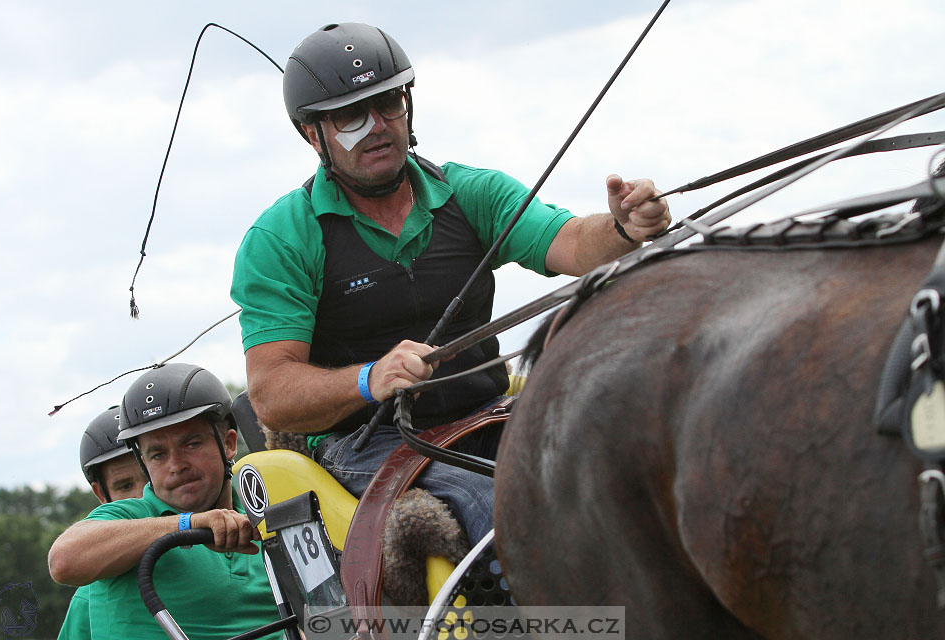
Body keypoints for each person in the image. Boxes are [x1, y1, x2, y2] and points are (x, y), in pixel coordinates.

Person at [230, 22, 671, 547]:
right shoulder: (281, 238)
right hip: (370, 445)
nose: (377, 126)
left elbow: (573, 242)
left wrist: (623, 227)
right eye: (351, 116)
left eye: (389, 102)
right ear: (313, 134)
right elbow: (272, 396)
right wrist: (369, 378)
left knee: (630, 461)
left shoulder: (470, 192)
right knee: (503, 508)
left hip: (488, 416)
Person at [48, 364, 282, 640]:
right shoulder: (128, 516)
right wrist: (188, 524)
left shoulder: (269, 509)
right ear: (144, 463)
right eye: (158, 454)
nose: (176, 465)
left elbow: (334, 613)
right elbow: (63, 561)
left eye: (191, 444)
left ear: (229, 444)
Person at [57, 406, 148, 640]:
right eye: (125, 486)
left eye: (150, 479)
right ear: (101, 494)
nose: (142, 495)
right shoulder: (89, 598)